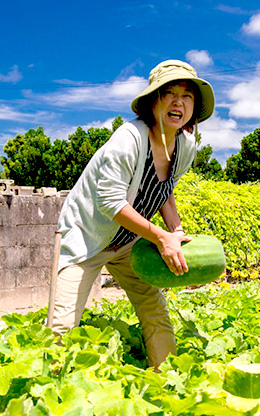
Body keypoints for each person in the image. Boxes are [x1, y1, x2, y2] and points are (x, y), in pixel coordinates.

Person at [49, 60, 215, 369]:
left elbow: (165, 189)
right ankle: (52, 388)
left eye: (187, 95)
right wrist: (160, 236)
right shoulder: (128, 140)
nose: (178, 102)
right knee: (62, 324)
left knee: (154, 307)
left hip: (128, 240)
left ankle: (166, 380)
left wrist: (175, 230)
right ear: (153, 100)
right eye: (169, 93)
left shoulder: (186, 146)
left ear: (194, 107)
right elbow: (111, 203)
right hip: (87, 237)